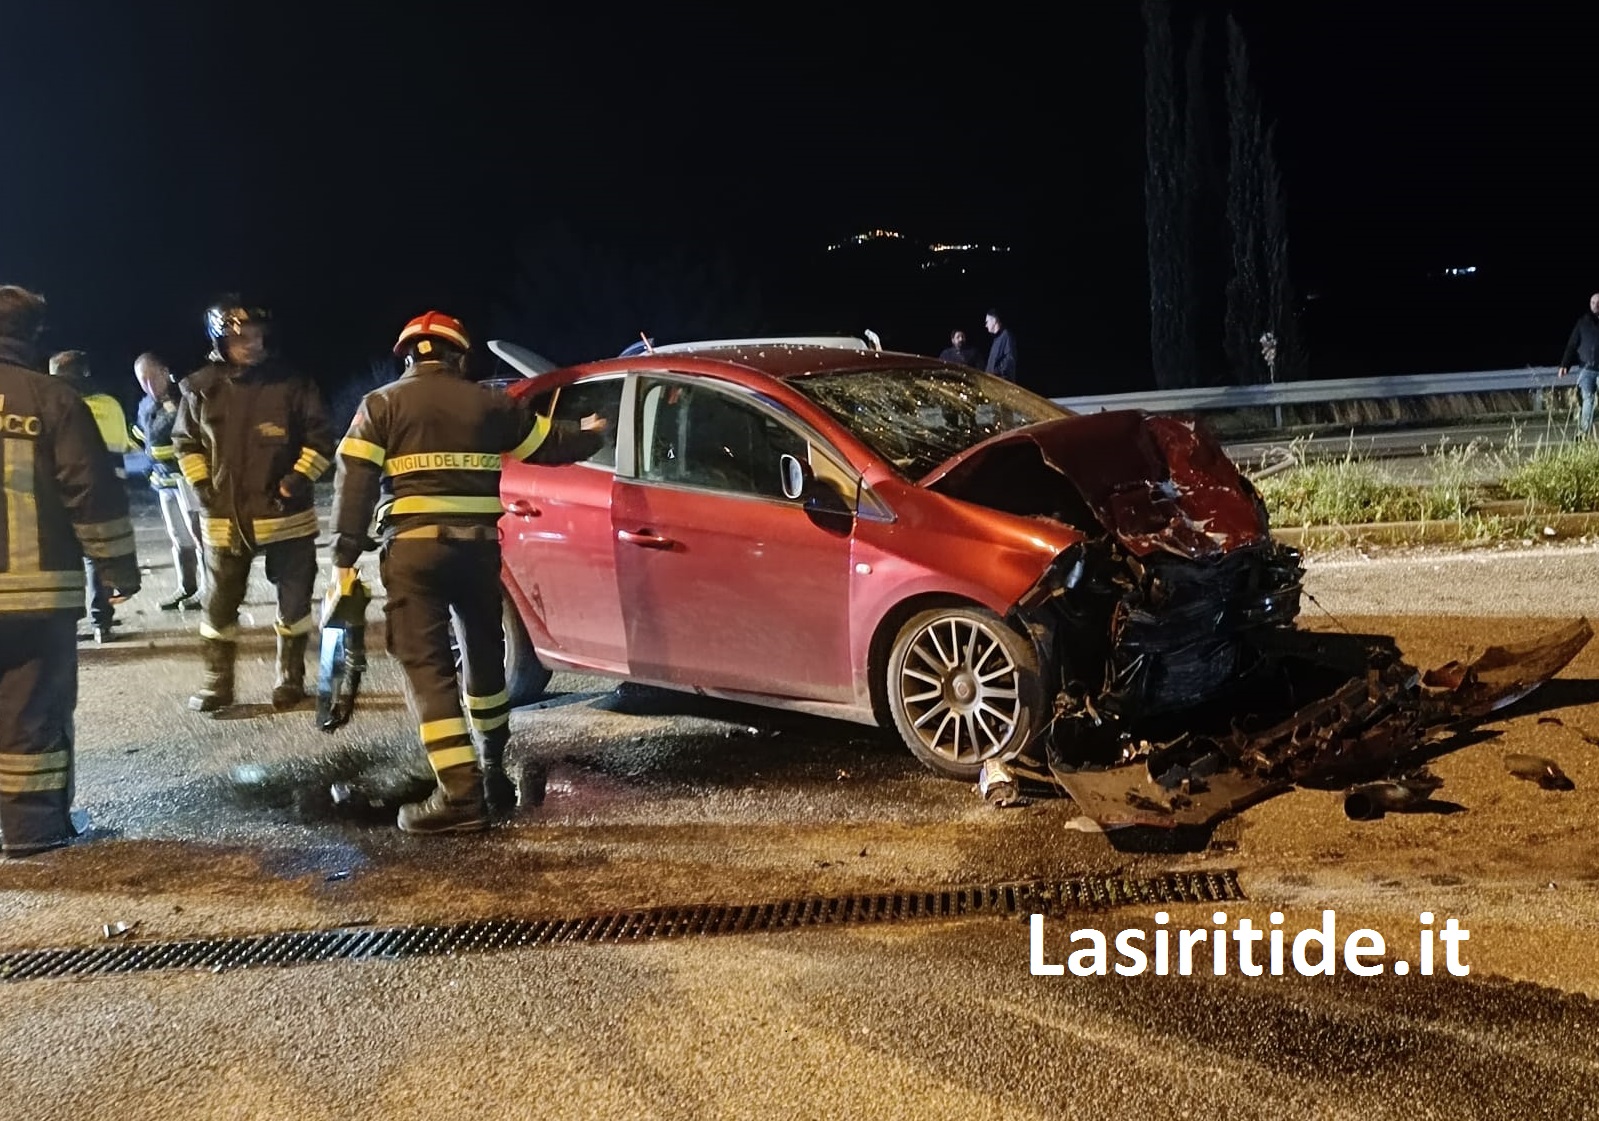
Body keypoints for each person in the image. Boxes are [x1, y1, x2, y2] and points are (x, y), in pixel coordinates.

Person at [329, 311, 604, 834]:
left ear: (409, 355)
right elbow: (550, 445)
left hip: (413, 554)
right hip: (478, 555)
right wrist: (593, 431)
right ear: (459, 356)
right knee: (482, 650)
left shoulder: (380, 404)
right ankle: (492, 757)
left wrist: (345, 554)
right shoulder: (490, 403)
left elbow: (355, 478)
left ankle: (458, 794)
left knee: (427, 665)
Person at [0, 286, 140, 856]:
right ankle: (32, 829)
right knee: (33, 710)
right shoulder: (51, 399)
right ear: (33, 338)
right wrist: (116, 568)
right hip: (35, 596)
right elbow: (91, 492)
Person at [172, 297, 334, 714]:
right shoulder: (200, 387)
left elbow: (320, 440)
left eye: (258, 336)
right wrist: (201, 485)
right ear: (220, 338)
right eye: (241, 337)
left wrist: (296, 481)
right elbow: (184, 441)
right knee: (218, 604)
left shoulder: (294, 385)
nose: (252, 343)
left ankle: (290, 679)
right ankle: (217, 683)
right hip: (224, 518)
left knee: (294, 603)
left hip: (287, 518)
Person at [48, 350, 131, 642]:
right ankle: (101, 624)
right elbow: (123, 443)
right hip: (108, 492)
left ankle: (68, 625)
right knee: (98, 558)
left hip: (62, 493)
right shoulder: (110, 404)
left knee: (63, 560)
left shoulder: (56, 404)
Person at [132, 352, 202, 609]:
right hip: (163, 482)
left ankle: (208, 591)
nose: (149, 385)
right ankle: (187, 587)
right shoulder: (145, 406)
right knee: (178, 538)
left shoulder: (183, 399)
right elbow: (142, 438)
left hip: (187, 480)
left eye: (152, 377)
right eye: (143, 380)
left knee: (199, 537)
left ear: (165, 372)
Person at [1557, 292, 1599, 437]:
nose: (1596, 305)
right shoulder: (1583, 323)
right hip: (1586, 369)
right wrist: (1564, 365)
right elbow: (1572, 344)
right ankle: (1583, 433)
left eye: (1598, 302)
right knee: (1588, 400)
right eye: (1593, 303)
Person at [984, 309, 1018, 383]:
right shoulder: (996, 339)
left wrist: (994, 372)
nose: (986, 325)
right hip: (992, 381)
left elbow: (1009, 360)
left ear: (994, 320)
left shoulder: (1006, 335)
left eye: (987, 322)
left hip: (1001, 383)